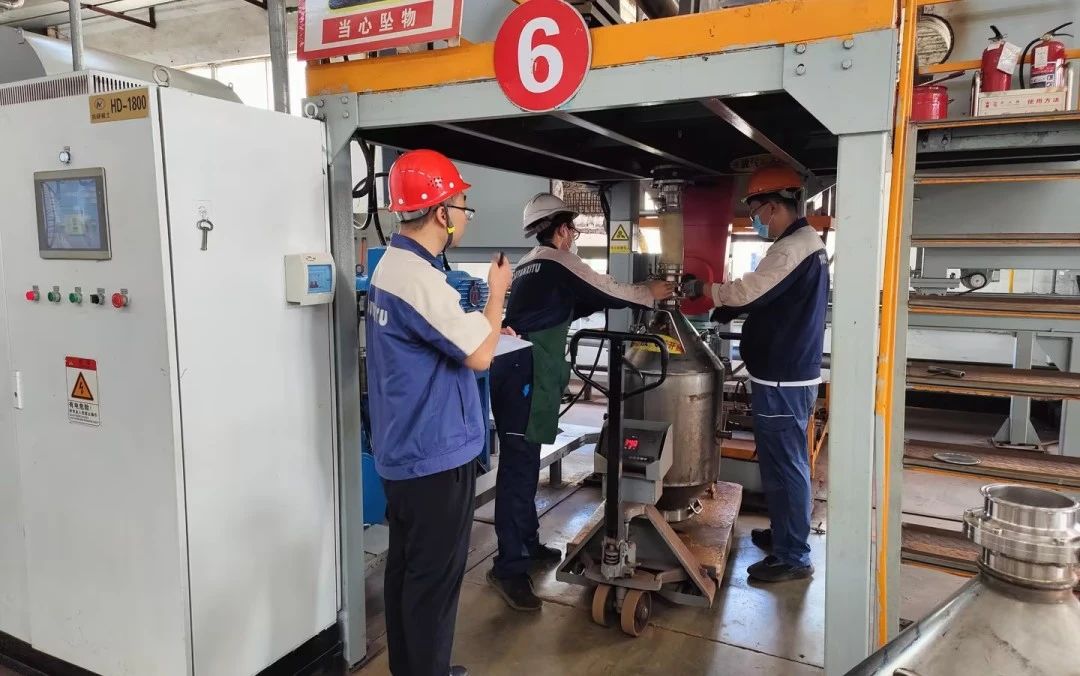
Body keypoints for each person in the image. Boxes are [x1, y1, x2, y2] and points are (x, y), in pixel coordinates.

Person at [487, 193, 673, 611]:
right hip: (524, 372)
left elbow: (578, 301)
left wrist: (617, 298)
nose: (573, 234)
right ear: (559, 229)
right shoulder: (557, 261)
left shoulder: (532, 264)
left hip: (521, 369)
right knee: (517, 472)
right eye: (570, 227)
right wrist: (648, 292)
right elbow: (605, 287)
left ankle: (527, 544)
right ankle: (508, 568)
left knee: (524, 465)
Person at [366, 149, 512, 676]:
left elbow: (450, 335)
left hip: (403, 450)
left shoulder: (394, 266)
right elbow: (479, 355)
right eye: (462, 204)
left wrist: (482, 322)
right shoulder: (418, 279)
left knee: (408, 571)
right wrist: (497, 297)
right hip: (434, 457)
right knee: (434, 582)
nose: (466, 214)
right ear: (440, 212)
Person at [693, 165, 828, 583]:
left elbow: (751, 292)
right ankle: (786, 534)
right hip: (785, 374)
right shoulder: (802, 244)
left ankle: (793, 556)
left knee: (786, 465)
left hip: (784, 378)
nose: (756, 221)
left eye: (755, 212)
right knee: (780, 462)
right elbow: (768, 298)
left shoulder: (793, 248)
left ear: (772, 207)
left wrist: (709, 292)